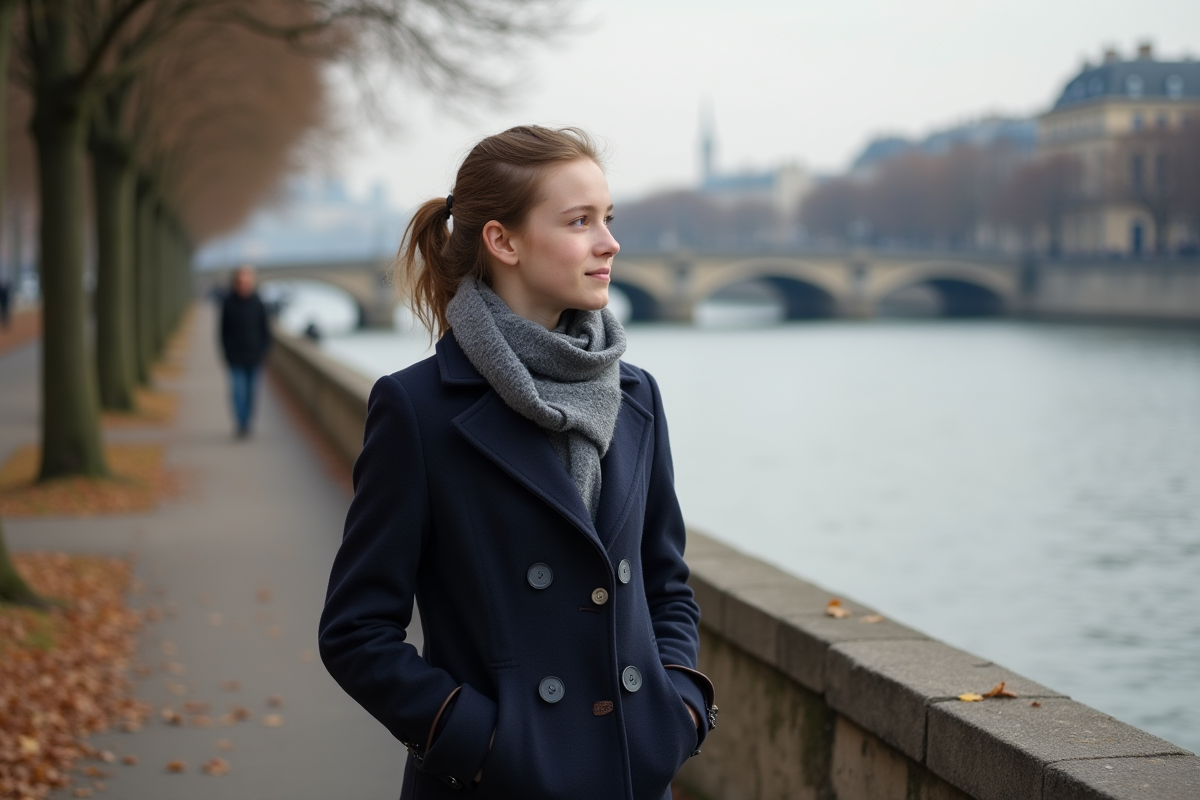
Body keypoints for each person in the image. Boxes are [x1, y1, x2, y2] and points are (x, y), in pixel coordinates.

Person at [318, 126, 716, 800]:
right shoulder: (417, 409)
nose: (609, 242)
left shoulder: (636, 396)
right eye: (579, 221)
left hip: (632, 774)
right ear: (503, 242)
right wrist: (477, 739)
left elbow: (664, 581)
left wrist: (676, 710)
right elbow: (356, 631)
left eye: (607, 219)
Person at [219, 265, 270, 438]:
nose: (243, 285)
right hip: (235, 357)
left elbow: (265, 330)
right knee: (237, 391)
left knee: (251, 392)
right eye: (241, 281)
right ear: (236, 282)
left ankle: (247, 422)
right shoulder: (228, 303)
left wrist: (264, 351)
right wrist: (226, 352)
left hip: (254, 357)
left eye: (246, 281)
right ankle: (241, 423)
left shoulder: (258, 303)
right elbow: (222, 331)